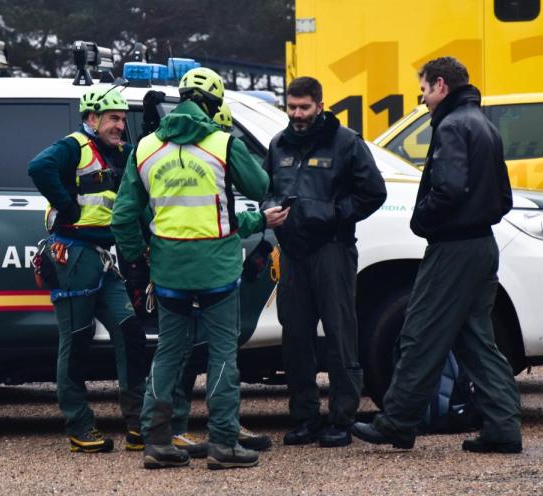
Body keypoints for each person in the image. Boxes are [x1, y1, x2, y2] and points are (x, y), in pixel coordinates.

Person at [112, 67, 288, 470]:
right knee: (222, 355)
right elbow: (261, 187)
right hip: (218, 271)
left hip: (169, 271)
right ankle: (224, 445)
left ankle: (158, 442)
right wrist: (256, 219)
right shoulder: (223, 144)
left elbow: (123, 218)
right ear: (214, 106)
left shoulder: (144, 149)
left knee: (168, 356)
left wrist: (139, 258)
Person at [352, 56, 522, 453]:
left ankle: (397, 422)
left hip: (454, 249)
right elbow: (503, 197)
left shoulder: (451, 126)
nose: (424, 99)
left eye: (425, 90)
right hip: (482, 245)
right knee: (477, 341)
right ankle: (503, 426)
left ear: (442, 86)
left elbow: (448, 188)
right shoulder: (483, 125)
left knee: (420, 332)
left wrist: (422, 222)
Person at [262, 76, 386, 447]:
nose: (297, 114)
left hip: (333, 250)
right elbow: (267, 188)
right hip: (293, 255)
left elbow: (373, 192)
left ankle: (342, 418)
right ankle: (304, 417)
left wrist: (333, 213)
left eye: (304, 107)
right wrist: (268, 207)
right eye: (292, 107)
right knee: (295, 337)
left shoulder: (345, 142)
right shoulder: (278, 144)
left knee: (340, 336)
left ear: (319, 104)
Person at [27, 83, 148, 453]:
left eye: (123, 119)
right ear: (92, 118)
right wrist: (68, 206)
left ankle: (138, 422)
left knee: (130, 333)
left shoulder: (120, 152)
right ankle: (79, 424)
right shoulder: (72, 146)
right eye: (113, 118)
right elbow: (38, 167)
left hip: (106, 257)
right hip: (75, 255)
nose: (119, 126)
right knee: (76, 340)